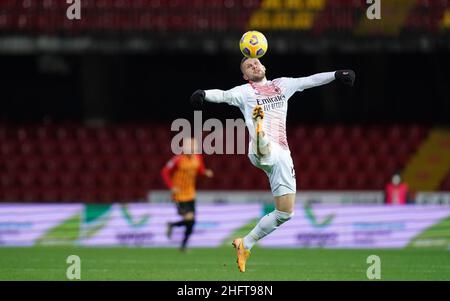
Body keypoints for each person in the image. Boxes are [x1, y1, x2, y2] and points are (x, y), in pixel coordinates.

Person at [190, 57, 355, 272]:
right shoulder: (244, 92)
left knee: (285, 213)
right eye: (249, 66)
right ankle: (259, 132)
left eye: (256, 63)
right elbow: (223, 95)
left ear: (264, 66)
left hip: (283, 155)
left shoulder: (282, 84)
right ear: (245, 76)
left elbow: (310, 80)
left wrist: (335, 74)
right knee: (264, 146)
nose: (254, 66)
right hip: (260, 151)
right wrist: (204, 94)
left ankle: (245, 243)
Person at [161, 137, 214, 252]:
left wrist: (205, 172)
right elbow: (165, 172)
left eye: (193, 146)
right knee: (189, 218)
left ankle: (182, 244)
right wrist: (171, 187)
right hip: (179, 195)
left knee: (192, 222)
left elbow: (200, 170)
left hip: (191, 194)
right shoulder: (178, 159)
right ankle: (173, 228)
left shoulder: (198, 158)